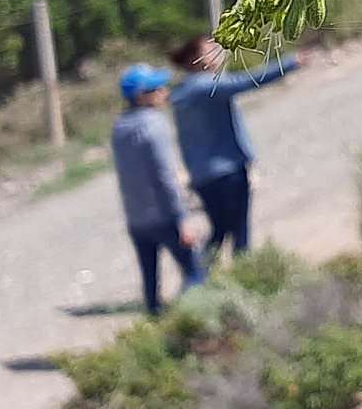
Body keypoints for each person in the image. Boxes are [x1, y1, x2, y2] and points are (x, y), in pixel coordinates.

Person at [167, 34, 309, 262]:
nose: (217, 52)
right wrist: (289, 63)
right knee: (239, 230)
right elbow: (246, 80)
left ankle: (202, 276)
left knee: (220, 230)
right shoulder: (205, 87)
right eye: (210, 49)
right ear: (196, 59)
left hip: (202, 176)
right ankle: (240, 275)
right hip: (228, 169)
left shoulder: (181, 93)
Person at [110, 62, 206, 314]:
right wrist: (183, 219)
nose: (164, 91)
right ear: (141, 96)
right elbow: (165, 176)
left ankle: (153, 319)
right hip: (164, 216)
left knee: (150, 282)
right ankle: (184, 320)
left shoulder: (119, 127)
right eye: (156, 88)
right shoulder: (154, 124)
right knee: (195, 272)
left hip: (136, 218)